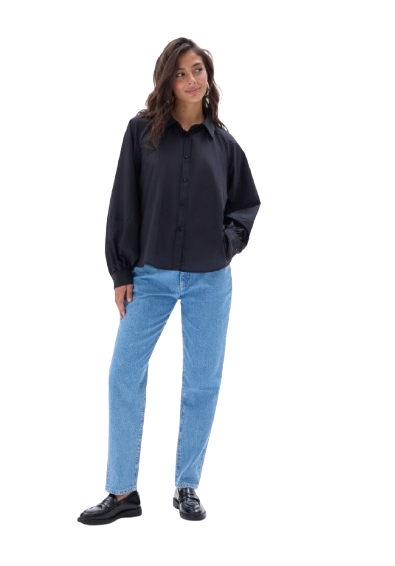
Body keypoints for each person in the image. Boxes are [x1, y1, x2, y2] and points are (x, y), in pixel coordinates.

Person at [77, 36, 261, 526]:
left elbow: (247, 205)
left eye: (197, 69)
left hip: (210, 280)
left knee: (201, 382)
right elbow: (122, 203)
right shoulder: (141, 133)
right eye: (180, 73)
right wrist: (120, 271)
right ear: (167, 81)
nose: (191, 79)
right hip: (150, 276)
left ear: (209, 77)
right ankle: (122, 492)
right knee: (124, 373)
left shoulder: (225, 145)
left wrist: (226, 244)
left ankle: (187, 486)